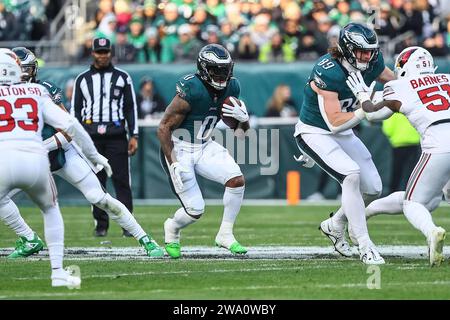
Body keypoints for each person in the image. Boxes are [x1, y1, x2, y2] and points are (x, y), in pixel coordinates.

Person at [5, 47, 163, 258]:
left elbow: (68, 131)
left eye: (26, 70)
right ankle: (29, 238)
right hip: (29, 159)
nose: (23, 75)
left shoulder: (43, 90)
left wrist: (42, 147)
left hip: (60, 154)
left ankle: (145, 239)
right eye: (19, 70)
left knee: (99, 197)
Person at [0, 50, 106, 287]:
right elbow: (70, 124)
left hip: (4, 160)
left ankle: (28, 238)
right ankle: (57, 272)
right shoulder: (36, 90)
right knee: (50, 209)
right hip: (36, 160)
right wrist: (93, 154)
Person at [294, 23, 395, 265]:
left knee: (373, 188)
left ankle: (336, 223)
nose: (367, 56)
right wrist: (365, 109)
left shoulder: (373, 61)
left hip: (344, 131)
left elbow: (394, 82)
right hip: (315, 131)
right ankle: (364, 244)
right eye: (361, 51)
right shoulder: (328, 70)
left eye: (370, 51)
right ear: (347, 49)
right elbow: (334, 122)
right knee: (351, 175)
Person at [346, 46, 448, 266]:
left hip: (439, 144)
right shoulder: (447, 78)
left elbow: (373, 113)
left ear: (404, 66)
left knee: (413, 203)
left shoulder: (400, 85)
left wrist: (363, 95)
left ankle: (431, 232)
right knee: (430, 200)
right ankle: (370, 211)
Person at [158, 44, 249, 259]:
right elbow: (163, 127)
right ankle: (172, 228)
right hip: (179, 148)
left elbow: (241, 134)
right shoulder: (192, 88)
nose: (222, 75)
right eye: (217, 70)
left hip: (205, 144)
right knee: (195, 211)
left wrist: (244, 121)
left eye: (225, 70)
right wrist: (174, 162)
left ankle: (225, 234)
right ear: (204, 69)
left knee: (236, 180)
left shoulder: (232, 87)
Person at [71, 38, 139, 237]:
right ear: (92, 53)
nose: (102, 55)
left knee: (122, 181)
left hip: (117, 135)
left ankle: (128, 225)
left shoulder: (123, 77)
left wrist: (134, 134)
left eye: (105, 52)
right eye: (99, 52)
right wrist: (77, 138)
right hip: (90, 138)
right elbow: (75, 111)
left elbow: (130, 107)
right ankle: (101, 225)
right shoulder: (82, 79)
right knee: (95, 182)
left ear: (111, 53)